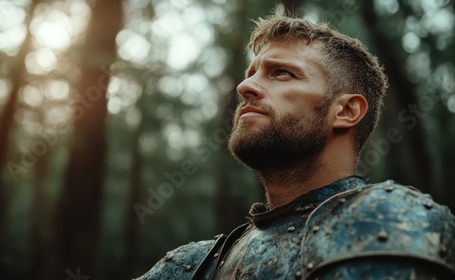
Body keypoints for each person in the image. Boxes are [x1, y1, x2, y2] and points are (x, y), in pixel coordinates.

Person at [136, 14, 455, 279]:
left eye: (282, 73)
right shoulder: (187, 267)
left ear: (345, 111)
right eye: (251, 74)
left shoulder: (389, 222)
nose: (245, 86)